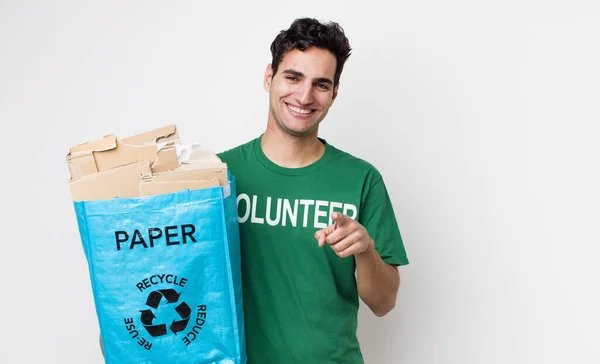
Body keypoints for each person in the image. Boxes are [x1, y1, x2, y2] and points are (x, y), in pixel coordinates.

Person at [217, 17, 409, 363]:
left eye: (321, 84)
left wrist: (365, 250)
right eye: (293, 77)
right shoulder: (218, 176)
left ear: (334, 93)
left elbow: (384, 303)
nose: (304, 96)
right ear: (268, 77)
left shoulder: (361, 179)